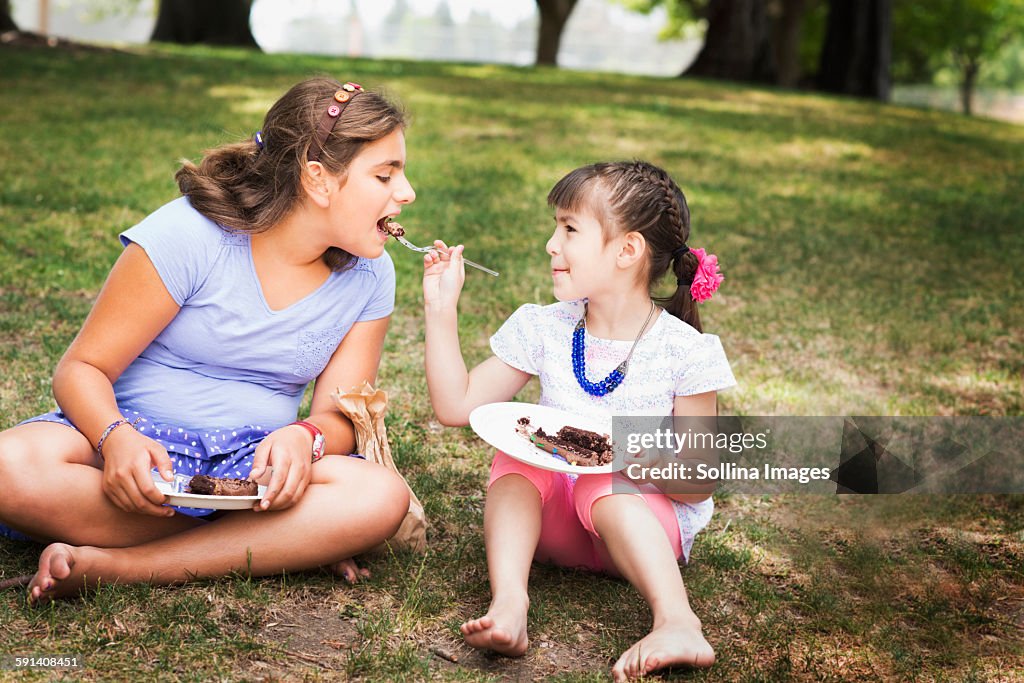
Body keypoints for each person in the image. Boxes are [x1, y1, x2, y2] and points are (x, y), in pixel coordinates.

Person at [0, 77, 415, 604]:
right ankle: (275, 542)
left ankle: (124, 568)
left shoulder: (370, 276)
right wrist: (116, 438)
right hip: (130, 450)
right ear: (318, 179)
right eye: (385, 175)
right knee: (8, 466)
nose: (406, 193)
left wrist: (303, 438)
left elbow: (342, 416)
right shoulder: (190, 235)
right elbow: (81, 369)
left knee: (378, 497)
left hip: (251, 469)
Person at [422, 161, 736, 681]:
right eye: (556, 226)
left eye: (569, 229)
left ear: (627, 250)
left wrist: (618, 453)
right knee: (519, 452)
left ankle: (678, 622)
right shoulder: (543, 327)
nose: (551, 243)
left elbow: (699, 484)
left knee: (603, 483)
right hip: (552, 531)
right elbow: (457, 407)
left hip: (640, 532)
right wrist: (440, 308)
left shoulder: (686, 352)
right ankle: (510, 604)